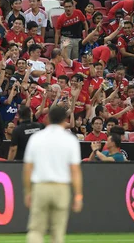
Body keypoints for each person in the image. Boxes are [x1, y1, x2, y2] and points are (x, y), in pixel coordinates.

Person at [23, 104, 83, 243]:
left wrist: (28, 191)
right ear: (65, 120)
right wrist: (78, 195)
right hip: (61, 188)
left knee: (36, 230)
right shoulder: (70, 140)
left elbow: (28, 168)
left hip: (41, 187)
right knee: (57, 233)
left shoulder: (37, 138)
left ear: (48, 118)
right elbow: (75, 171)